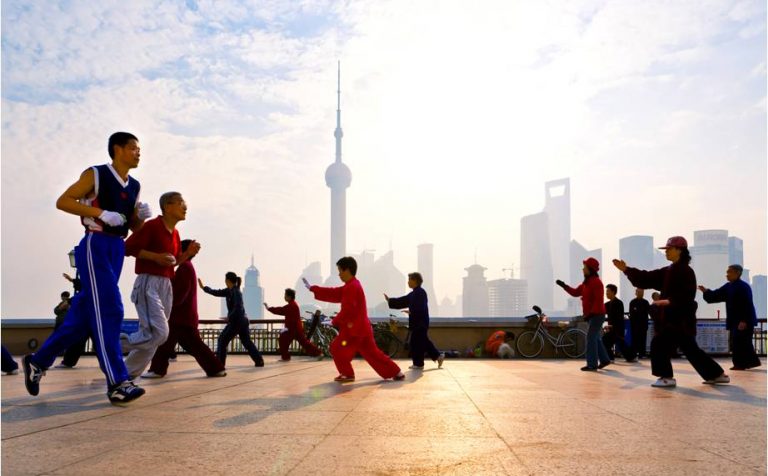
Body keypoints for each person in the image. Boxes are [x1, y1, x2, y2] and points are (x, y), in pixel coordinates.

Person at [23, 132, 151, 405]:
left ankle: (38, 361)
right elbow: (64, 200)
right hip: (95, 245)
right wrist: (99, 213)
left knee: (81, 320)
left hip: (116, 248)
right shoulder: (96, 174)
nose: (138, 153)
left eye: (139, 149)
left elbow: (131, 226)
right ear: (117, 149)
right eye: (133, 148)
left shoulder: (135, 186)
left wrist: (141, 219)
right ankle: (118, 382)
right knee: (111, 309)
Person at [613, 236, 729, 388]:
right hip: (676, 321)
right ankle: (717, 375)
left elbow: (688, 296)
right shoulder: (669, 271)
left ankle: (667, 377)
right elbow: (647, 278)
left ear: (679, 250)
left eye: (669, 249)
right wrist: (627, 270)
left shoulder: (686, 271)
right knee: (690, 349)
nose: (666, 252)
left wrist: (670, 302)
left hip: (677, 320)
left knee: (659, 345)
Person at [120, 192, 200, 380]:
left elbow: (171, 263)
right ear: (167, 206)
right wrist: (155, 257)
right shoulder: (153, 226)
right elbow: (127, 248)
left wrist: (186, 254)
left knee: (154, 338)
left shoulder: (176, 234)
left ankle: (124, 376)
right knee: (160, 334)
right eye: (181, 202)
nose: (185, 207)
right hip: (148, 282)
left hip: (165, 284)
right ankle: (115, 344)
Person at [304, 256, 405, 382]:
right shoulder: (351, 285)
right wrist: (313, 289)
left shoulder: (351, 287)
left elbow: (348, 309)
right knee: (373, 354)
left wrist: (334, 321)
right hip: (362, 329)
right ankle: (397, 372)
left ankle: (347, 374)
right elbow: (334, 293)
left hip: (354, 330)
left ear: (347, 270)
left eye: (340, 270)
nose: (339, 274)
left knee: (336, 348)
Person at [144, 240, 226, 378]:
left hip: (179, 317)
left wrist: (166, 304)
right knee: (194, 346)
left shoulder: (184, 268)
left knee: (165, 344)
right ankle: (216, 368)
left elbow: (179, 294)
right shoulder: (187, 267)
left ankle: (157, 370)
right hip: (185, 316)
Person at [699, 264, 762, 371]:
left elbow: (747, 304)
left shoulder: (743, 287)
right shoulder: (728, 286)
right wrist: (706, 292)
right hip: (734, 320)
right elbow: (716, 295)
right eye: (727, 272)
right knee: (740, 342)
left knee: (741, 342)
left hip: (743, 320)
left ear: (737, 273)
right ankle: (749, 363)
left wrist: (744, 320)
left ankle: (740, 364)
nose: (727, 275)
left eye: (730, 272)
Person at [556, 257, 611, 371]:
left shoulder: (596, 282)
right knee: (595, 338)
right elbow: (575, 292)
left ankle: (592, 364)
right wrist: (564, 286)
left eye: (584, 267)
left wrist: (591, 314)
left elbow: (598, 301)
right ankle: (605, 360)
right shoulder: (586, 283)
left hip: (597, 315)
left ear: (590, 269)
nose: (582, 269)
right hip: (592, 315)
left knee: (590, 338)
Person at [199, 272, 264, 368]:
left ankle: (220, 365)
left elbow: (238, 307)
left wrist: (230, 317)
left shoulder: (236, 292)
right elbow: (216, 292)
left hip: (237, 321)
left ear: (227, 281)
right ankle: (259, 361)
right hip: (241, 321)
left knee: (222, 340)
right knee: (246, 342)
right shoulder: (229, 291)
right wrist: (204, 288)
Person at [385, 272, 445, 369]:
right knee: (423, 342)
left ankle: (419, 363)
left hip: (420, 323)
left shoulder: (421, 292)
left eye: (410, 280)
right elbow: (403, 301)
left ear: (415, 281)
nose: (408, 282)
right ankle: (437, 357)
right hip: (417, 323)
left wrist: (411, 312)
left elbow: (421, 308)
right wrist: (390, 301)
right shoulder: (413, 294)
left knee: (416, 342)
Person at [265, 288, 322, 362]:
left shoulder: (291, 306)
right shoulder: (293, 304)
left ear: (289, 296)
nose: (284, 297)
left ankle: (286, 357)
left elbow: (280, 310)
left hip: (292, 329)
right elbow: (281, 310)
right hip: (296, 328)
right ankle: (318, 353)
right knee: (304, 343)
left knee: (283, 340)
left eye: (285, 295)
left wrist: (269, 308)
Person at [603, 284, 637, 362]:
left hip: (617, 328)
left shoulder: (618, 303)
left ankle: (611, 358)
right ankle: (631, 356)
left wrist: (611, 326)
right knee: (619, 344)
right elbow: (601, 310)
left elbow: (618, 318)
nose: (606, 293)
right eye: (606, 291)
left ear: (613, 292)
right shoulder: (608, 304)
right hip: (612, 328)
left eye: (608, 291)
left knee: (606, 341)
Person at [629, 288, 650, 358]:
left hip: (643, 325)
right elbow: (631, 314)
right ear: (636, 293)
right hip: (634, 325)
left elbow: (650, 312)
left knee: (643, 339)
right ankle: (633, 354)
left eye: (642, 292)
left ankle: (642, 354)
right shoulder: (632, 302)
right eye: (639, 292)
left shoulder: (646, 302)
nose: (641, 293)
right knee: (634, 340)